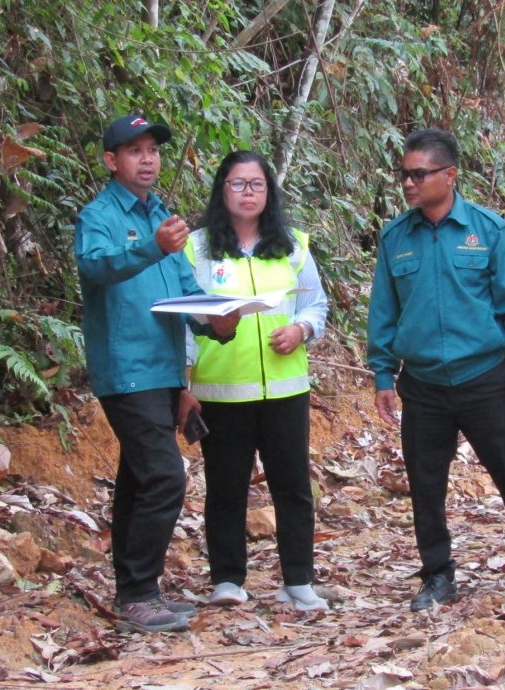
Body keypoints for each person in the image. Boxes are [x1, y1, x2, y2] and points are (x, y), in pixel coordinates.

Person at [367, 128, 505, 612]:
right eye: (405, 175)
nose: (409, 184)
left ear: (449, 175)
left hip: (485, 379)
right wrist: (381, 374)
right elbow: (383, 311)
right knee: (426, 482)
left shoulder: (488, 230)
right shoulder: (396, 238)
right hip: (424, 385)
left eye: (419, 174)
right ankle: (437, 575)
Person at [75, 114, 239, 633]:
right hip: (126, 368)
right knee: (165, 476)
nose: (147, 159)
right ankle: (139, 595)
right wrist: (152, 247)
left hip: (164, 369)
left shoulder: (164, 216)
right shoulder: (98, 215)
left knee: (138, 478)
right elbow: (95, 267)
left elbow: (184, 295)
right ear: (111, 161)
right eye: (134, 150)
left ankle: (135, 590)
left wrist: (219, 322)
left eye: (153, 150)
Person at [184, 151, 329, 612]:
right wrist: (183, 384)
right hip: (220, 389)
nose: (248, 193)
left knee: (292, 485)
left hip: (285, 390)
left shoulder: (293, 245)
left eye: (257, 184)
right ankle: (227, 579)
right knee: (225, 487)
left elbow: (317, 306)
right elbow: (183, 319)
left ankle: (299, 580)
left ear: (270, 192)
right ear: (221, 190)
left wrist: (301, 329)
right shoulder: (197, 248)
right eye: (237, 184)